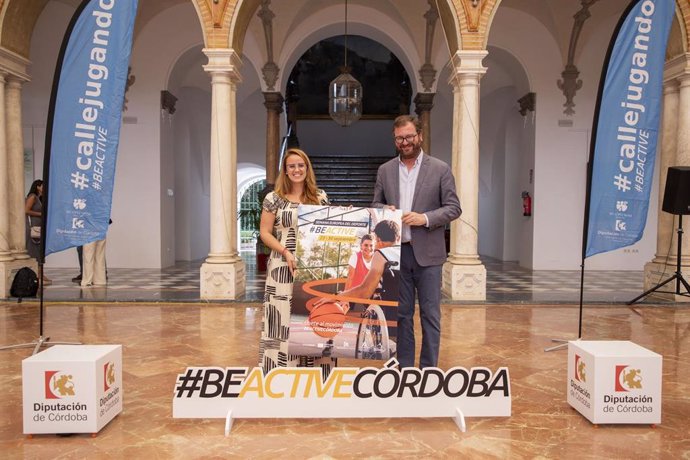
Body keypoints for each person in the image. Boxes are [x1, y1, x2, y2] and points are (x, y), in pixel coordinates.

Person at [372, 115, 461, 369]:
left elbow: (454, 208)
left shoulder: (440, 168)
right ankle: (405, 369)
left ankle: (429, 370)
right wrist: (384, 209)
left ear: (419, 136)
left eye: (409, 136)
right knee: (401, 315)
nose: (405, 142)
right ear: (395, 140)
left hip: (429, 255)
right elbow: (375, 203)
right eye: (399, 138)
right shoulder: (385, 170)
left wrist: (424, 218)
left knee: (431, 316)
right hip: (397, 254)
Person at [258, 148, 336, 377]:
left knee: (312, 316)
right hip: (282, 267)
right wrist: (285, 251)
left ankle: (316, 372)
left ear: (307, 168)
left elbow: (327, 231)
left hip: (312, 268)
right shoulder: (274, 198)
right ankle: (280, 372)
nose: (296, 169)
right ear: (285, 170)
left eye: (300, 165)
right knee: (280, 318)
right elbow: (265, 232)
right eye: (291, 166)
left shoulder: (320, 196)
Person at [24, 179, 51, 285]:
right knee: (34, 251)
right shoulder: (32, 197)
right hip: (33, 228)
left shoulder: (39, 198)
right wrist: (40, 214)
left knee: (39, 251)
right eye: (43, 186)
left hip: (39, 228)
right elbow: (26, 210)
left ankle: (40, 272)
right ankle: (37, 273)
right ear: (38, 187)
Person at [344, 234, 374, 311]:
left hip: (367, 290)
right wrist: (345, 297)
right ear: (361, 246)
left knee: (374, 310)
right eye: (366, 245)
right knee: (344, 309)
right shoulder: (355, 257)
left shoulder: (377, 258)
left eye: (371, 245)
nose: (368, 248)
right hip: (354, 290)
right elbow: (350, 277)